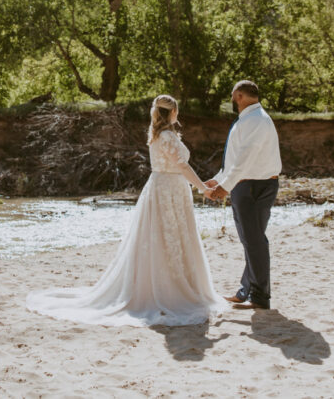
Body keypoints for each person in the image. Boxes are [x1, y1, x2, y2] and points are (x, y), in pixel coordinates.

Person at [26, 95, 228, 326]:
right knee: (169, 236)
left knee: (163, 237)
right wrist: (202, 187)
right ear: (173, 112)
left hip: (163, 187)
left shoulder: (157, 134)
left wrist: (201, 184)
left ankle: (165, 284)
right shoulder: (167, 136)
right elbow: (181, 165)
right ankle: (170, 291)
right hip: (169, 189)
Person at [204, 80, 282, 310]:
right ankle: (246, 290)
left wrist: (225, 186)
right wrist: (219, 179)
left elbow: (244, 160)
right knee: (253, 240)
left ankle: (259, 297)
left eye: (231, 95)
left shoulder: (255, 120)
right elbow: (237, 159)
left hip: (250, 186)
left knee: (254, 240)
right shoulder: (253, 119)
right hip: (254, 183)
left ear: (238, 95)